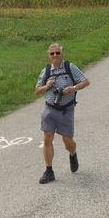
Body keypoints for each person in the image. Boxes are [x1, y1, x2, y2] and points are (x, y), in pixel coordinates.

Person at [34, 43, 90, 184]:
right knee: (47, 138)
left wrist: (73, 88)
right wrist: (47, 86)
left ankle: (73, 154)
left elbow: (85, 82)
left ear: (62, 54)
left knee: (68, 141)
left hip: (66, 109)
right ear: (49, 56)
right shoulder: (46, 71)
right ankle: (49, 171)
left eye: (57, 53)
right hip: (50, 108)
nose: (55, 55)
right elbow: (37, 90)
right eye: (52, 53)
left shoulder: (70, 67)